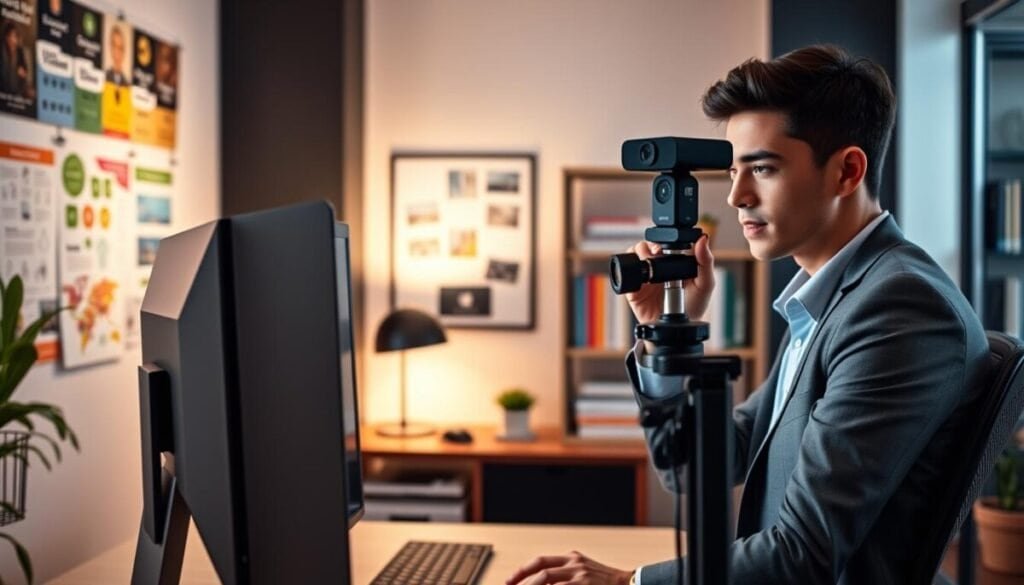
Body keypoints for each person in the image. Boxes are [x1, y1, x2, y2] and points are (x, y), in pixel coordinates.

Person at [506, 45, 988, 585]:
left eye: (762, 167)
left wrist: (628, 582)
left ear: (847, 171)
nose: (736, 195)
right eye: (734, 170)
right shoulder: (833, 297)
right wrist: (668, 334)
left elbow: (802, 555)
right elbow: (694, 465)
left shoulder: (898, 309)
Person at [0, 21, 33, 98]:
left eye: (14, 36)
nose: (12, 39)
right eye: (9, 36)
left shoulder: (21, 52)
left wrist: (23, 73)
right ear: (5, 37)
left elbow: (26, 73)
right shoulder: (2, 50)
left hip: (17, 92)